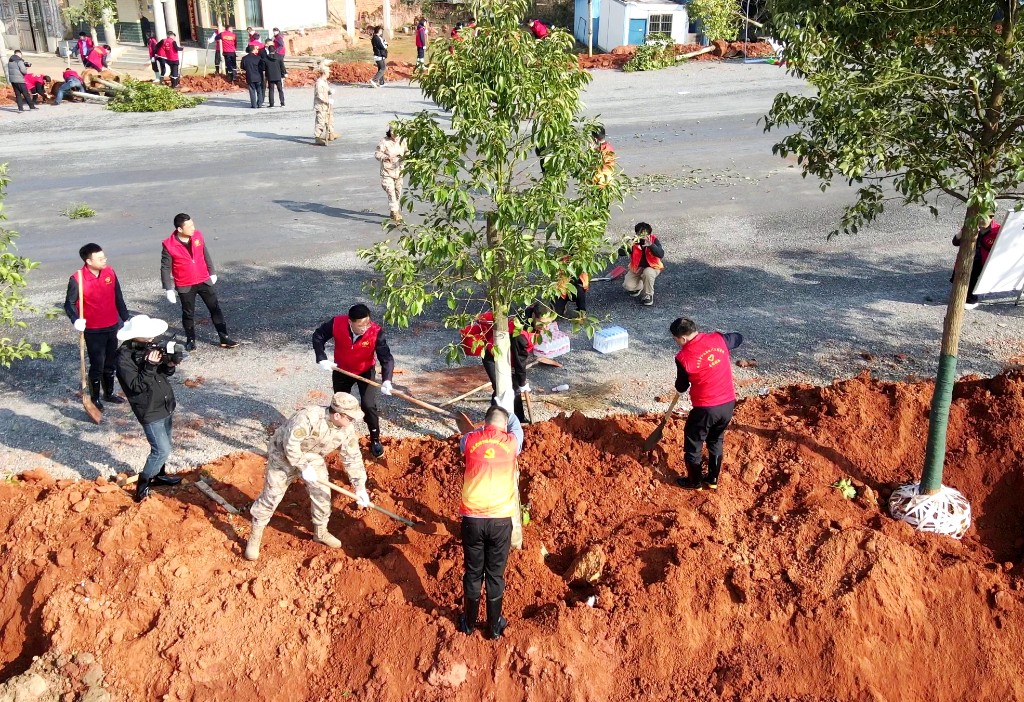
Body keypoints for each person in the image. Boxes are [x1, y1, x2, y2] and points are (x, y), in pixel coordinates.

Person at [245, 393, 371, 560]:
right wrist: (303, 467)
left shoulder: (346, 429)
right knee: (271, 496)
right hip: (282, 456)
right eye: (350, 417)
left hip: (312, 458)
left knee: (323, 495)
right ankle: (255, 536)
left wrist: (360, 487)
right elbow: (290, 445)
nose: (352, 421)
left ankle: (321, 532)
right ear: (337, 415)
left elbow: (352, 457)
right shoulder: (308, 417)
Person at [456, 394, 523, 639]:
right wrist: (505, 408)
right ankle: (494, 627)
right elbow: (515, 425)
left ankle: (468, 624)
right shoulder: (513, 443)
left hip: (472, 520)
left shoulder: (469, 440)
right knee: (495, 575)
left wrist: (483, 429)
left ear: (484, 424)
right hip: (500, 521)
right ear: (504, 426)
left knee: (473, 572)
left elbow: (466, 439)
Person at [115, 315, 185, 503]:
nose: (152, 338)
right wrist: (150, 366)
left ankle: (159, 475)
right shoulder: (123, 358)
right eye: (147, 335)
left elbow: (163, 374)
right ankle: (143, 486)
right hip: (149, 410)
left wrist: (169, 364)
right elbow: (136, 386)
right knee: (161, 450)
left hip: (165, 404)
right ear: (134, 336)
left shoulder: (148, 347)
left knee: (166, 444)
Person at [670, 318, 744, 491]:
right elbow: (738, 337)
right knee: (716, 440)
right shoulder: (719, 339)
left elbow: (682, 386)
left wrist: (680, 385)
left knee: (693, 443)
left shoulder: (683, 357)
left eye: (676, 339)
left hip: (705, 408)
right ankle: (712, 480)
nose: (676, 343)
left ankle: (694, 482)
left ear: (683, 338)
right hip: (728, 404)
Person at [312, 304, 394, 458]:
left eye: (367, 323)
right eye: (360, 325)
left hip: (365, 372)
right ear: (350, 322)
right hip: (341, 371)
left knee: (368, 405)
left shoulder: (375, 332)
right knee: (339, 406)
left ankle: (375, 439)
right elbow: (318, 336)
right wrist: (322, 358)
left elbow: (386, 358)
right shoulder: (337, 323)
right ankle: (337, 437)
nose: (365, 328)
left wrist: (387, 380)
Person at [462, 303, 555, 423]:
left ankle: (519, 420)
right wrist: (522, 382)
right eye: (542, 323)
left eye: (548, 323)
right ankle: (493, 421)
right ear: (533, 316)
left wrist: (519, 382)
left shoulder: (530, 312)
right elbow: (520, 361)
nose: (545, 327)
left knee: (514, 389)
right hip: (493, 357)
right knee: (501, 389)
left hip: (508, 356)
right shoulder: (520, 335)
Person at [64, 243, 131, 410]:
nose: (104, 260)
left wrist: (126, 318)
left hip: (112, 324)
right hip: (94, 330)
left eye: (104, 257)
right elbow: (69, 303)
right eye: (100, 258)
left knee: (110, 362)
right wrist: (75, 320)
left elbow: (118, 296)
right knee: (97, 364)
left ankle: (109, 393)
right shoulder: (77, 279)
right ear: (88, 261)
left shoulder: (110, 272)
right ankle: (94, 398)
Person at [160, 213, 239, 350]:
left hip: (204, 280)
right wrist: (168, 288)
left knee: (215, 308)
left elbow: (205, 253)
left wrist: (212, 272)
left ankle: (224, 337)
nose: (193, 228)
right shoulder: (169, 245)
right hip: (185, 284)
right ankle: (190, 340)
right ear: (180, 229)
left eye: (193, 224)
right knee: (188, 313)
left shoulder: (197, 236)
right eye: (189, 226)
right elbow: (165, 267)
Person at [953, 217, 1002, 310]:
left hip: (984, 261)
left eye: (984, 218)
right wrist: (964, 230)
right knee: (959, 275)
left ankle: (971, 299)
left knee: (973, 275)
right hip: (967, 257)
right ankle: (961, 295)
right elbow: (955, 242)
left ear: (991, 217)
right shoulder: (972, 226)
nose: (981, 221)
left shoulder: (998, 230)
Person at [619, 222, 664, 306]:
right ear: (636, 234)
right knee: (628, 286)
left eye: (645, 235)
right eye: (640, 234)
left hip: (652, 267)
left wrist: (651, 245)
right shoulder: (633, 242)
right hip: (637, 268)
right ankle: (639, 287)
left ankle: (648, 295)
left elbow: (661, 254)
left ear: (649, 234)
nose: (643, 237)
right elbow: (620, 253)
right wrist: (626, 245)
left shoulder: (654, 240)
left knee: (648, 273)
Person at [374, 125, 408, 223]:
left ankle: (393, 211)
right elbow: (377, 153)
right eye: (394, 133)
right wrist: (385, 157)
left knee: (397, 192)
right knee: (390, 191)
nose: (396, 136)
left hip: (399, 171)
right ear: (390, 132)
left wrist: (405, 157)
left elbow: (407, 151)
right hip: (387, 172)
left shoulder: (403, 140)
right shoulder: (384, 142)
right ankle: (395, 213)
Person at [313, 62, 336, 145]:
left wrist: (330, 91)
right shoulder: (319, 82)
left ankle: (331, 133)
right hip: (321, 105)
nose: (329, 74)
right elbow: (320, 95)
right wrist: (327, 101)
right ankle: (317, 137)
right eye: (328, 72)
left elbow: (326, 91)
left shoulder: (324, 81)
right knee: (320, 121)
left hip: (326, 105)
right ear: (325, 73)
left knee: (329, 119)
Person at [263, 42, 287, 107]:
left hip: (270, 76)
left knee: (271, 90)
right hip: (278, 76)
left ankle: (271, 104)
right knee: (280, 90)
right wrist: (284, 73)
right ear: (275, 50)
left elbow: (264, 68)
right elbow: (282, 66)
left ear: (268, 50)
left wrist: (266, 75)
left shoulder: (265, 58)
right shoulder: (279, 57)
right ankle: (282, 103)